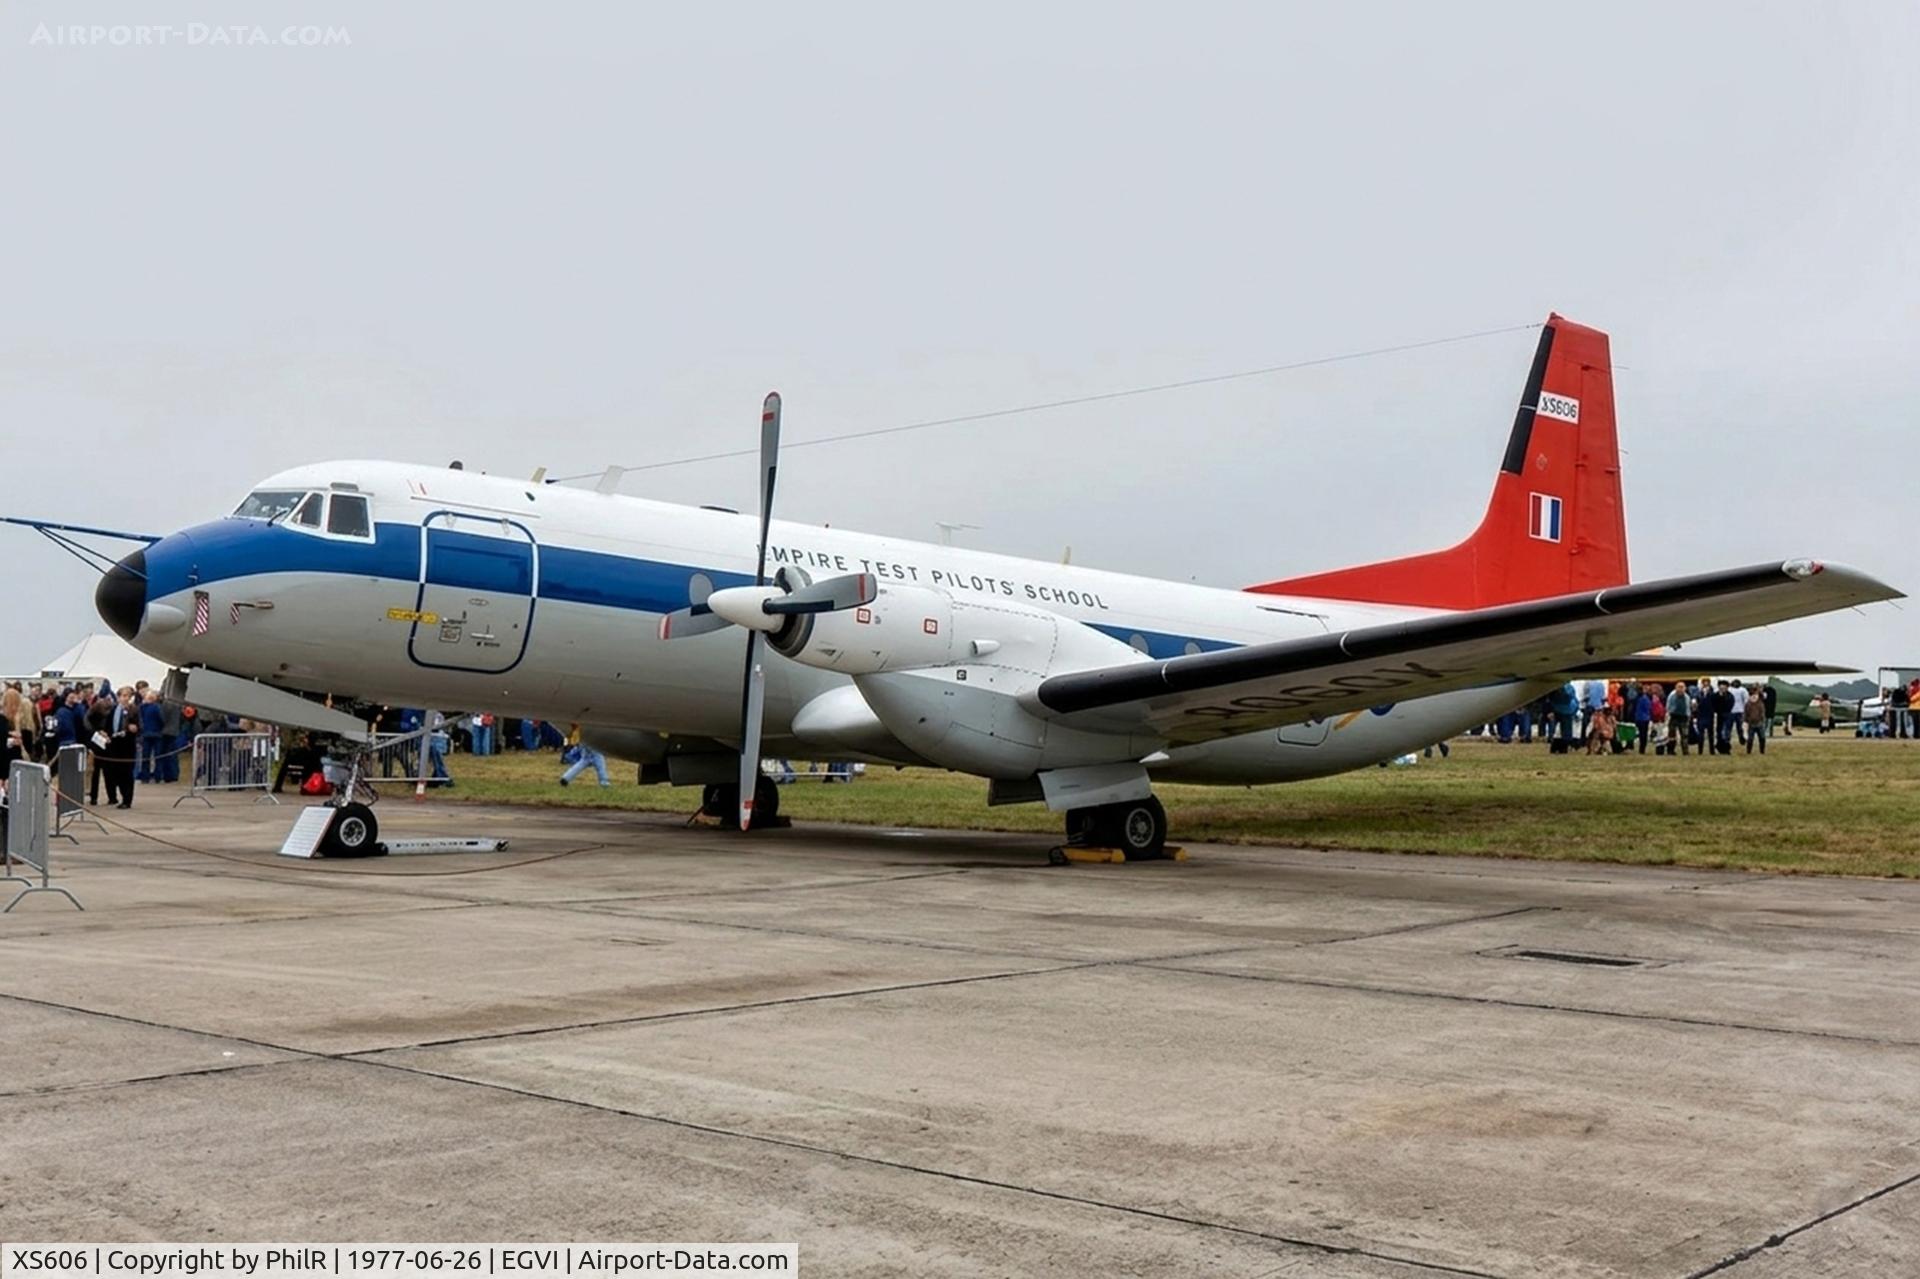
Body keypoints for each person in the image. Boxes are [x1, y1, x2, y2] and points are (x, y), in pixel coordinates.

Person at [1666, 681, 1693, 756]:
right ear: (1676, 688)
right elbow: (1668, 706)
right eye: (1679, 687)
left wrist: (1689, 716)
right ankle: (1670, 751)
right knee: (1671, 735)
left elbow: (1688, 708)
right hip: (1673, 716)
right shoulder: (1671, 695)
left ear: (1685, 688)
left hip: (1684, 717)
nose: (1680, 689)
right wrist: (1668, 715)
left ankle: (1685, 752)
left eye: (1682, 687)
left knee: (1684, 735)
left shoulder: (1687, 697)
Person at [1631, 685, 1654, 754]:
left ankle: (1641, 749)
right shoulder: (1645, 698)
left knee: (1641, 735)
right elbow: (1649, 708)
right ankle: (1642, 749)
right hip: (1644, 719)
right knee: (1643, 735)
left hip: (1640, 718)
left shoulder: (1637, 698)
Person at [1729, 681, 1750, 748]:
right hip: (1734, 711)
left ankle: (1741, 739)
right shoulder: (1742, 690)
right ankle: (1740, 739)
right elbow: (1746, 700)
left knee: (1739, 727)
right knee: (1734, 727)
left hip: (1739, 711)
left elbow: (1746, 700)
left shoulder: (1742, 690)